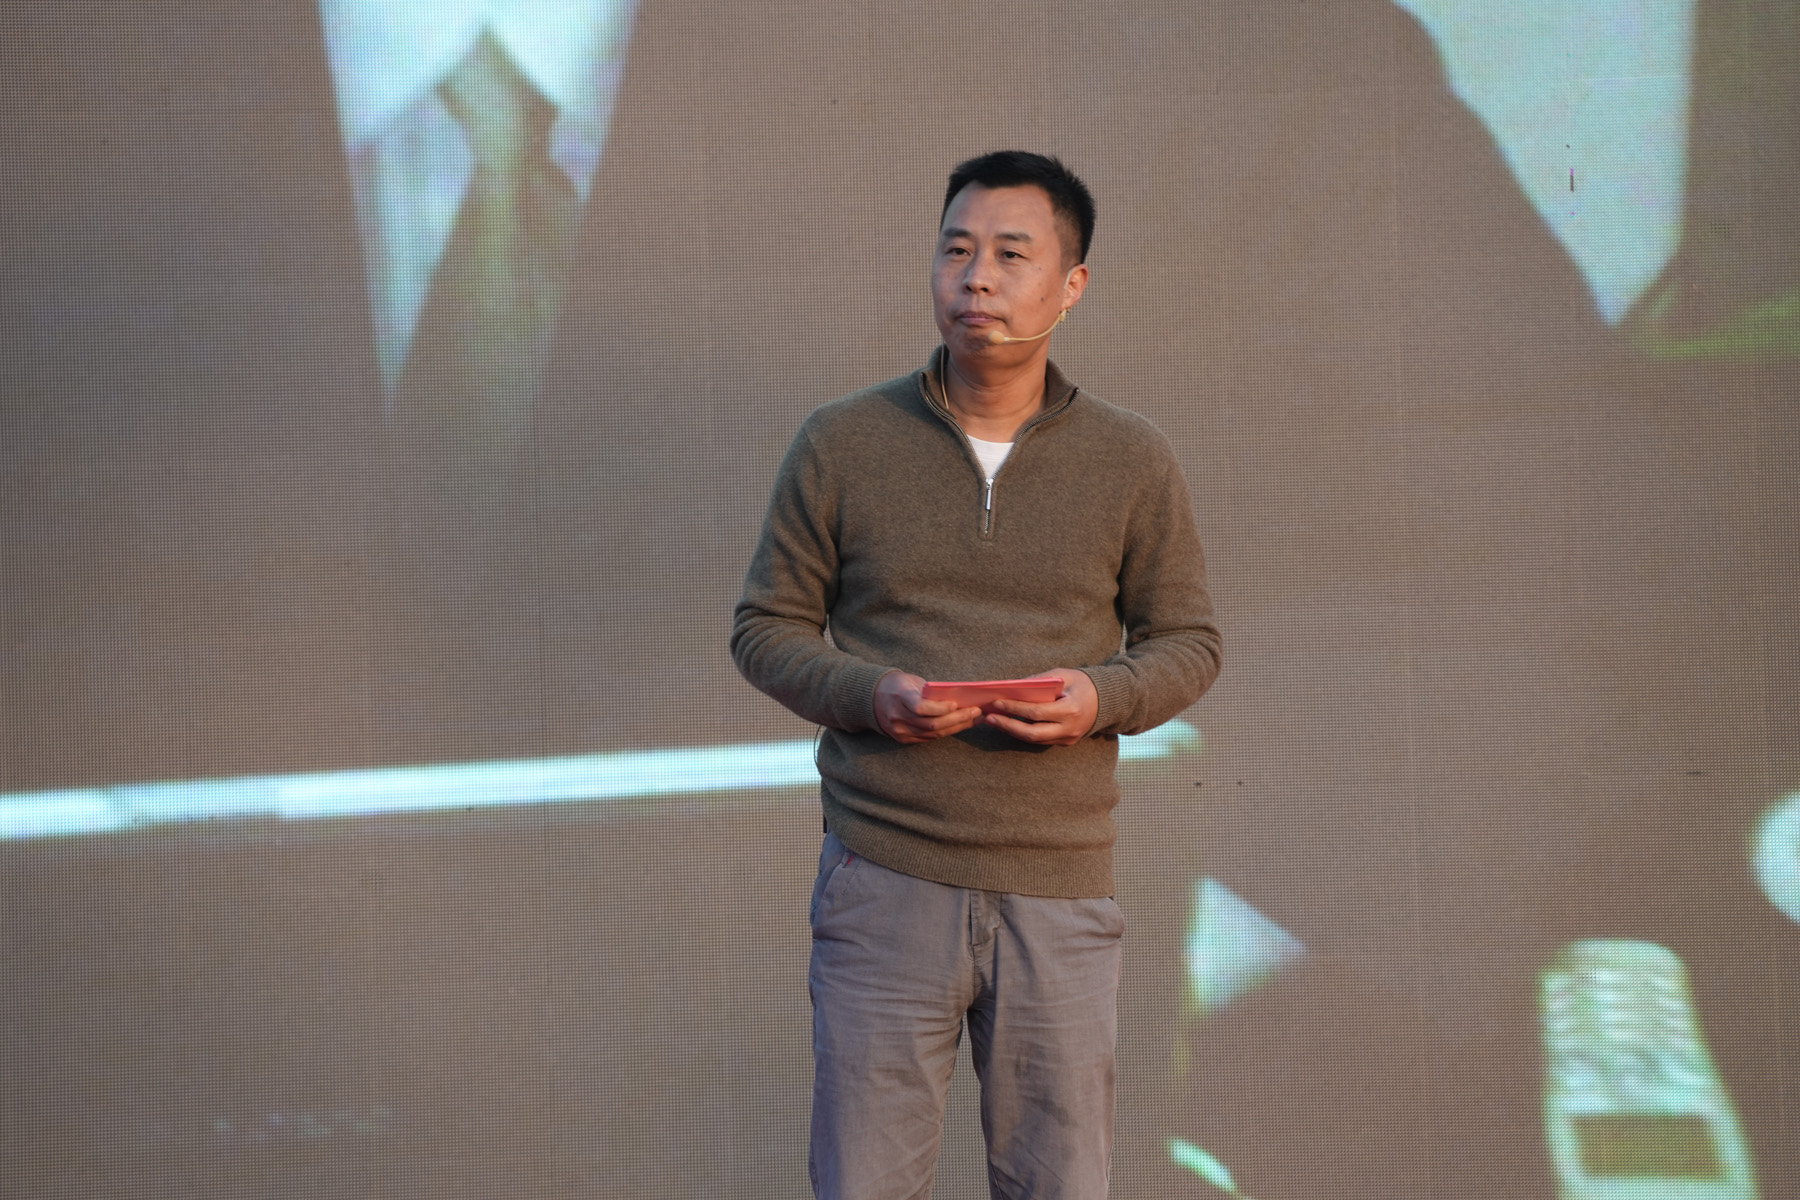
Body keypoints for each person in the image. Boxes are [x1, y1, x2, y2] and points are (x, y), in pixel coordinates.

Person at [732, 150, 1223, 1198]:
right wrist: (870, 696)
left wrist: (1100, 697)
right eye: (956, 250)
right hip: (884, 877)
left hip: (1060, 888)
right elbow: (766, 628)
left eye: (1010, 254)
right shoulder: (842, 441)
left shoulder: (1132, 458)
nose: (976, 279)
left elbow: (1188, 642)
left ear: (1072, 284)